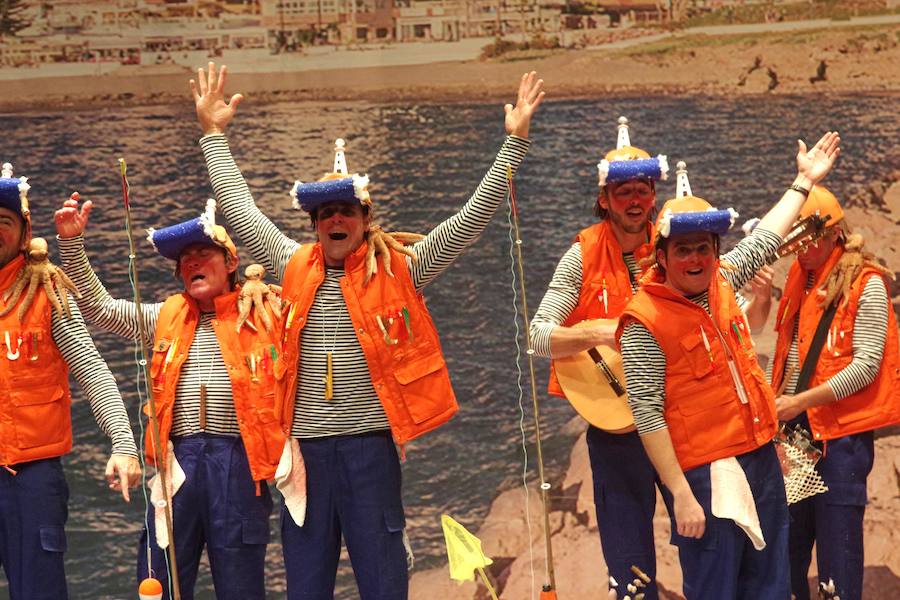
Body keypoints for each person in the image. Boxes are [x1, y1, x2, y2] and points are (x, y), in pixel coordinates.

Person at [190, 61, 543, 599]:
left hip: (371, 451)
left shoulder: (402, 266)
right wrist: (213, 134)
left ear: (365, 217)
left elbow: (469, 221)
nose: (337, 220)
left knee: (384, 581)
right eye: (326, 212)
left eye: (347, 211)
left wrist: (513, 143)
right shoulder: (290, 264)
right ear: (313, 223)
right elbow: (239, 211)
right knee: (306, 585)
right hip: (305, 454)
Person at [616, 131, 841, 599]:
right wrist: (679, 493)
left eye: (704, 248)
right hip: (705, 475)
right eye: (683, 249)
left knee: (772, 585)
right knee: (716, 589)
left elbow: (766, 239)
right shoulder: (643, 321)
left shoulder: (720, 282)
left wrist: (802, 182)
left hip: (760, 456)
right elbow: (647, 413)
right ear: (662, 256)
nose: (696, 257)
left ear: (715, 254)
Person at [54, 197, 285, 600]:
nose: (192, 263)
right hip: (176, 468)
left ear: (231, 263)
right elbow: (100, 309)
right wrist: (72, 244)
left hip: (240, 465)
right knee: (157, 584)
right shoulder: (163, 315)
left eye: (202, 253)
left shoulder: (267, 310)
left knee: (242, 588)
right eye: (184, 260)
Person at [530, 115, 668, 598]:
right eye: (623, 191)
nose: (635, 201)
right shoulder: (582, 255)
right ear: (604, 199)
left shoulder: (679, 247)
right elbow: (538, 335)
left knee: (708, 543)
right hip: (617, 430)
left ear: (654, 196)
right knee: (629, 567)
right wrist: (595, 331)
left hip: (683, 418)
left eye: (644, 190)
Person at [0, 163, 139, 599]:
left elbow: (92, 369)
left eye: (3, 223)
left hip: (32, 476)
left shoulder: (47, 291)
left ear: (25, 234)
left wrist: (123, 443)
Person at [769, 185, 899, 600]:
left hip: (840, 439)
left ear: (834, 234)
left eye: (809, 241)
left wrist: (799, 402)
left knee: (838, 550)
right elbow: (790, 352)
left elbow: (865, 367)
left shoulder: (868, 284)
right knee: (787, 545)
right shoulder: (799, 277)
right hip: (796, 436)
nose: (800, 250)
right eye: (796, 243)